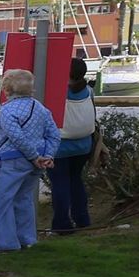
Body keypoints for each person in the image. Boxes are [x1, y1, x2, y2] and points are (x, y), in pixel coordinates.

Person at [0, 68, 58, 251]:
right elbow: (54, 135)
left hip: (10, 161)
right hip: (36, 162)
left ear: (7, 89)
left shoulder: (7, 111)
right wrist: (47, 156)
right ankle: (26, 239)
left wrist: (34, 157)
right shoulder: (41, 109)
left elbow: (16, 137)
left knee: (0, 202)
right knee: (23, 200)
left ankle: (2, 244)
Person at [52, 56, 102, 235]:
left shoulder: (58, 91)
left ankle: (61, 225)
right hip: (83, 146)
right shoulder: (89, 90)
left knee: (60, 184)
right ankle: (83, 219)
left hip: (60, 146)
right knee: (76, 181)